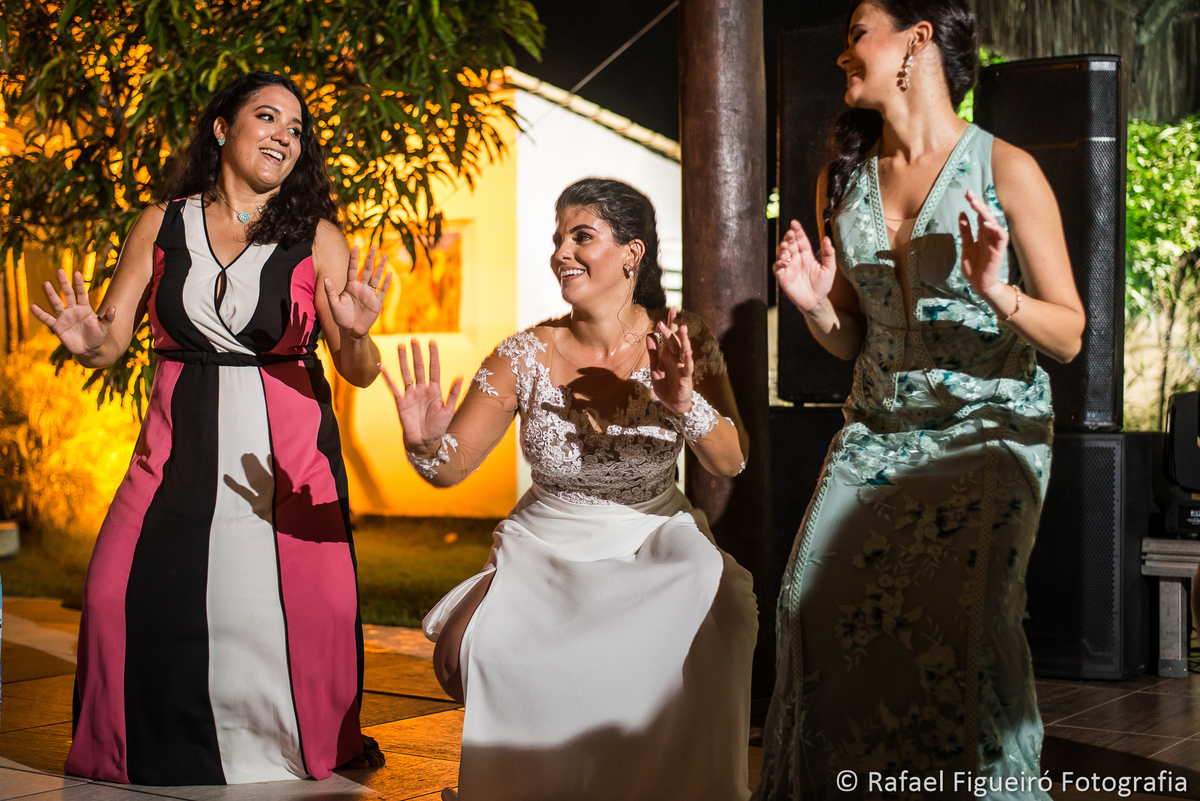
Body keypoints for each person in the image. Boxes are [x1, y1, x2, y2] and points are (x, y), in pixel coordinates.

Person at [755, 1, 1086, 798]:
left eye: (856, 34)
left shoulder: (1008, 170)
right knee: (805, 604)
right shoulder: (840, 177)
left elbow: (1070, 333)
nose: (843, 55)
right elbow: (852, 336)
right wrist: (812, 303)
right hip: (876, 428)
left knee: (965, 634)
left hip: (987, 431)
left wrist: (995, 290)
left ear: (918, 39)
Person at [32, 71, 390, 785]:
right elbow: (111, 342)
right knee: (113, 594)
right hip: (174, 447)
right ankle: (135, 745)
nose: (285, 136)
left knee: (296, 609)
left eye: (296, 128)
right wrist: (87, 340)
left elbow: (359, 368)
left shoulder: (319, 238)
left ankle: (283, 741)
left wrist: (354, 335)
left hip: (284, 460)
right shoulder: (159, 223)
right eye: (268, 117)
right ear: (222, 129)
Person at [381, 177, 759, 800]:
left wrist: (685, 402)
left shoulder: (679, 336)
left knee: (723, 605)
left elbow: (730, 461)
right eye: (558, 238)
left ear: (632, 253)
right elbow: (450, 467)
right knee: (485, 651)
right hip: (547, 545)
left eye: (582, 236)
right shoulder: (523, 353)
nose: (562, 252)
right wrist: (425, 443)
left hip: (651, 534)